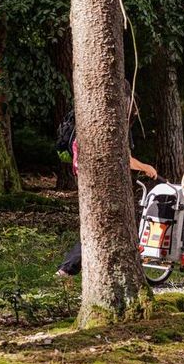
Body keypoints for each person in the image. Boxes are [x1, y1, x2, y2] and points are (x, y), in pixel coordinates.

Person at [54, 109, 158, 278]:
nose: (137, 115)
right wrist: (147, 168)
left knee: (99, 225)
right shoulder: (114, 125)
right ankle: (67, 269)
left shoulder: (88, 120)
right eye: (136, 111)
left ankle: (75, 269)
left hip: (87, 179)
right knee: (103, 225)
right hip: (103, 184)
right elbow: (127, 159)